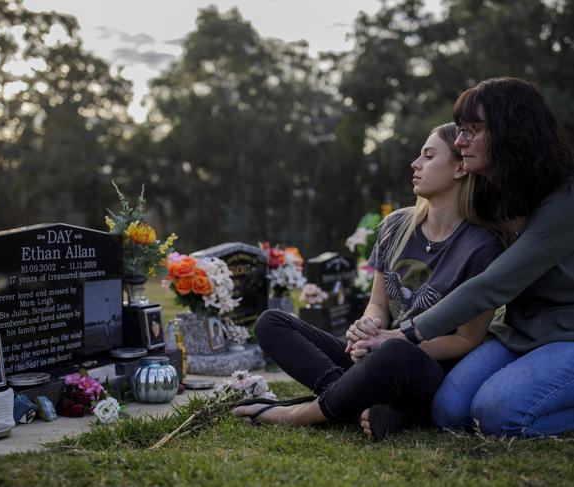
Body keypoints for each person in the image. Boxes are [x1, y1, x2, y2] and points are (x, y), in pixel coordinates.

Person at [233, 123, 502, 439]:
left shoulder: (482, 246)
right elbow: (377, 303)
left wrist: (390, 340)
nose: (415, 164)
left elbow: (466, 340)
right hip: (376, 356)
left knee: (394, 353)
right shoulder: (396, 226)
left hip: (426, 370)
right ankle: (354, 402)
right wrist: (367, 329)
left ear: (460, 168)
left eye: (429, 156)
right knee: (271, 323)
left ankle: (301, 413)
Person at [355, 77, 574, 438]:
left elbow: (492, 285)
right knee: (448, 411)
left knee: (496, 415)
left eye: (472, 130)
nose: (460, 142)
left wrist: (405, 335)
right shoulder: (496, 194)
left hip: (567, 337)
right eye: (460, 130)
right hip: (520, 333)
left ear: (511, 134)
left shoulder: (563, 202)